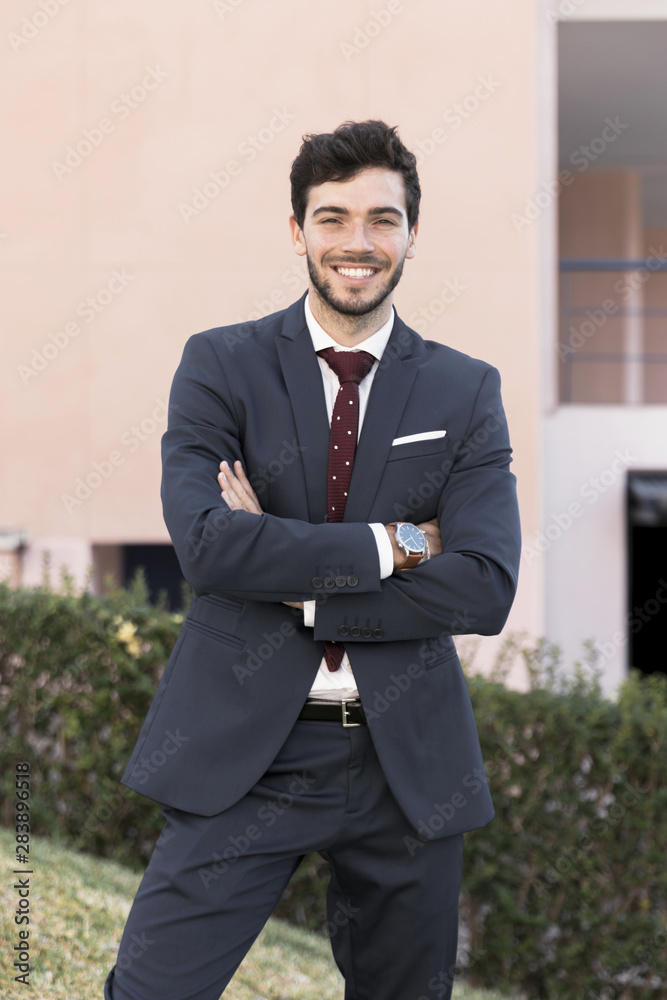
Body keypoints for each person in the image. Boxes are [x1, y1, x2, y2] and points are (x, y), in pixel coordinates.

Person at [105, 119, 521, 1000]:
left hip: (403, 766)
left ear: (412, 234)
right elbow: (212, 547)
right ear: (296, 231)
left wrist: (296, 585)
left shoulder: (464, 388)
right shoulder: (221, 364)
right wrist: (401, 544)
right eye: (331, 218)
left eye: (382, 218)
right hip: (244, 751)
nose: (357, 243)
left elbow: (483, 584)